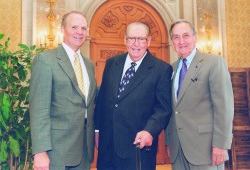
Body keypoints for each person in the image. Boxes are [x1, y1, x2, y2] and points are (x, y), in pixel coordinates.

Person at [94, 21, 173, 170]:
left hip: (137, 148)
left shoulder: (161, 69)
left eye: (141, 39)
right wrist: (97, 130)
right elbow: (103, 99)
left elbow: (163, 109)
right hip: (107, 146)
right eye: (131, 38)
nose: (136, 44)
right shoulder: (112, 63)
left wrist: (150, 131)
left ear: (148, 41)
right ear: (125, 40)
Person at [29, 11, 97, 170]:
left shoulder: (89, 65)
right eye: (74, 27)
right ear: (62, 29)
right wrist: (40, 151)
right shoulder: (45, 60)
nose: (79, 32)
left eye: (83, 28)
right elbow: (39, 109)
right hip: (56, 151)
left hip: (84, 150)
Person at [165, 19, 234, 170]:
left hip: (206, 149)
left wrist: (221, 144)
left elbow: (224, 108)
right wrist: (169, 141)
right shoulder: (171, 69)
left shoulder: (213, 63)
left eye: (186, 35)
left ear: (195, 38)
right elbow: (172, 110)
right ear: (172, 42)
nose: (181, 41)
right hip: (178, 150)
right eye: (176, 37)